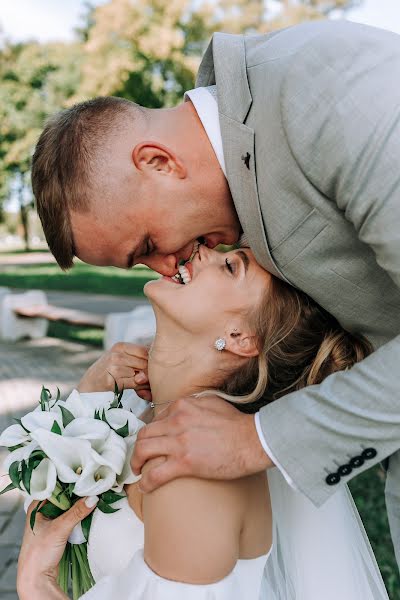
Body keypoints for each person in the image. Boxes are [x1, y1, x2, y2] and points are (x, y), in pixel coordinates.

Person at [31, 20, 400, 564]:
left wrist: (257, 441)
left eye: (150, 245)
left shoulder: (330, 92)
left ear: (158, 162)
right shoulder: (227, 194)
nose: (165, 269)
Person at [17, 246, 388, 599]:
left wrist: (37, 586)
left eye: (230, 266)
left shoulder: (195, 465)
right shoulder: (145, 412)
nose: (201, 252)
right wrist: (85, 403)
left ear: (239, 337)